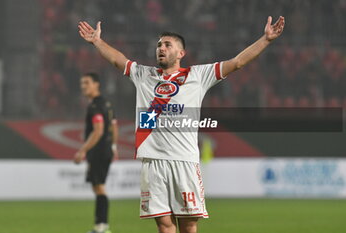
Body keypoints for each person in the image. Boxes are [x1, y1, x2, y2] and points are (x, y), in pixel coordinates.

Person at [78, 16, 284, 233]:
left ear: (181, 53)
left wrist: (266, 40)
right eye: (159, 45)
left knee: (188, 225)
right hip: (153, 162)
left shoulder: (198, 75)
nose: (161, 48)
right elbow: (118, 60)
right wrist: (97, 42)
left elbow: (238, 62)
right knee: (164, 226)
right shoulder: (144, 75)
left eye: (168, 45)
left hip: (184, 160)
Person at [74, 73, 119, 233]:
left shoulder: (95, 106)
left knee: (99, 187)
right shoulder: (106, 103)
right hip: (105, 150)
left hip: (98, 151)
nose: (83, 86)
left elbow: (98, 131)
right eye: (82, 83)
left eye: (86, 83)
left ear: (97, 84)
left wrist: (82, 151)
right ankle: (101, 226)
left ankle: (101, 226)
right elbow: (114, 125)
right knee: (98, 187)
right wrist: (113, 147)